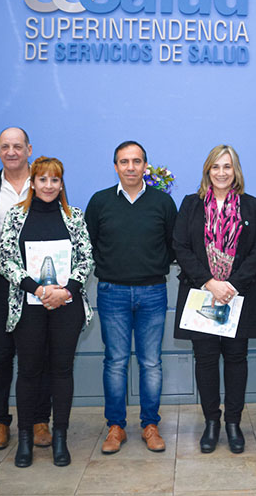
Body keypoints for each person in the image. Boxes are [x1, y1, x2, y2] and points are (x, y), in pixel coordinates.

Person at [0, 156, 93, 467]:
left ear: (61, 183)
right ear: (33, 183)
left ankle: (60, 437)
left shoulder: (74, 216)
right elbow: (5, 259)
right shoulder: (16, 216)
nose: (49, 186)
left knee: (62, 371)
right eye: (43, 180)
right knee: (28, 372)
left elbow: (85, 259)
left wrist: (65, 291)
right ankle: (25, 439)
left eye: (55, 180)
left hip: (66, 305)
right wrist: (38, 290)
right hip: (29, 307)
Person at [173, 145, 256, 454]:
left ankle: (233, 424)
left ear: (235, 170)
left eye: (228, 166)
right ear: (208, 171)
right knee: (206, 360)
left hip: (238, 297)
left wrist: (231, 285)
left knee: (237, 360)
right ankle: (212, 422)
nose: (222, 172)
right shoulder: (191, 205)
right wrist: (210, 282)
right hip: (201, 295)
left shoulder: (251, 207)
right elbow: (180, 246)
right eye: (216, 167)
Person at [85, 141, 177, 454]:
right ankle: (116, 427)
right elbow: (90, 244)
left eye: (136, 161)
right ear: (115, 166)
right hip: (112, 292)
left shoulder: (163, 202)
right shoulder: (99, 202)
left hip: (153, 291)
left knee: (151, 362)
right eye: (124, 162)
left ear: (145, 166)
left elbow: (172, 243)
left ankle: (150, 425)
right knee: (115, 362)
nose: (130, 167)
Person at [0, 127, 53, 451]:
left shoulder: (45, 179)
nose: (11, 152)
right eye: (5, 146)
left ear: (29, 148)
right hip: (0, 284)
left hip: (38, 286)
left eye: (17, 146)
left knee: (39, 357)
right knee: (2, 355)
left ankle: (38, 420)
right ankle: (0, 422)